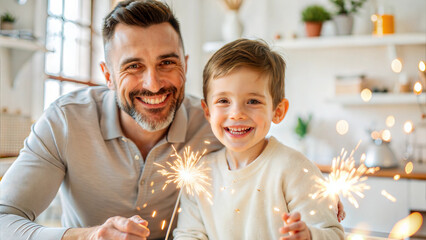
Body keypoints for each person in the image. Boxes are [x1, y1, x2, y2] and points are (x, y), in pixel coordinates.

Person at [0, 1, 344, 240]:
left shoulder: (213, 122)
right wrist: (85, 236)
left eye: (167, 63)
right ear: (106, 74)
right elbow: (3, 219)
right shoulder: (64, 122)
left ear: (186, 63)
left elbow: (264, 155)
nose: (153, 84)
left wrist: (313, 199)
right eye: (133, 66)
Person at [173, 39, 345, 240]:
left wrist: (308, 236)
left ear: (277, 111)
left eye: (253, 101)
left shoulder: (295, 169)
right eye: (223, 101)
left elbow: (333, 234)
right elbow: (188, 234)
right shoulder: (199, 176)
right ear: (207, 111)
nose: (236, 113)